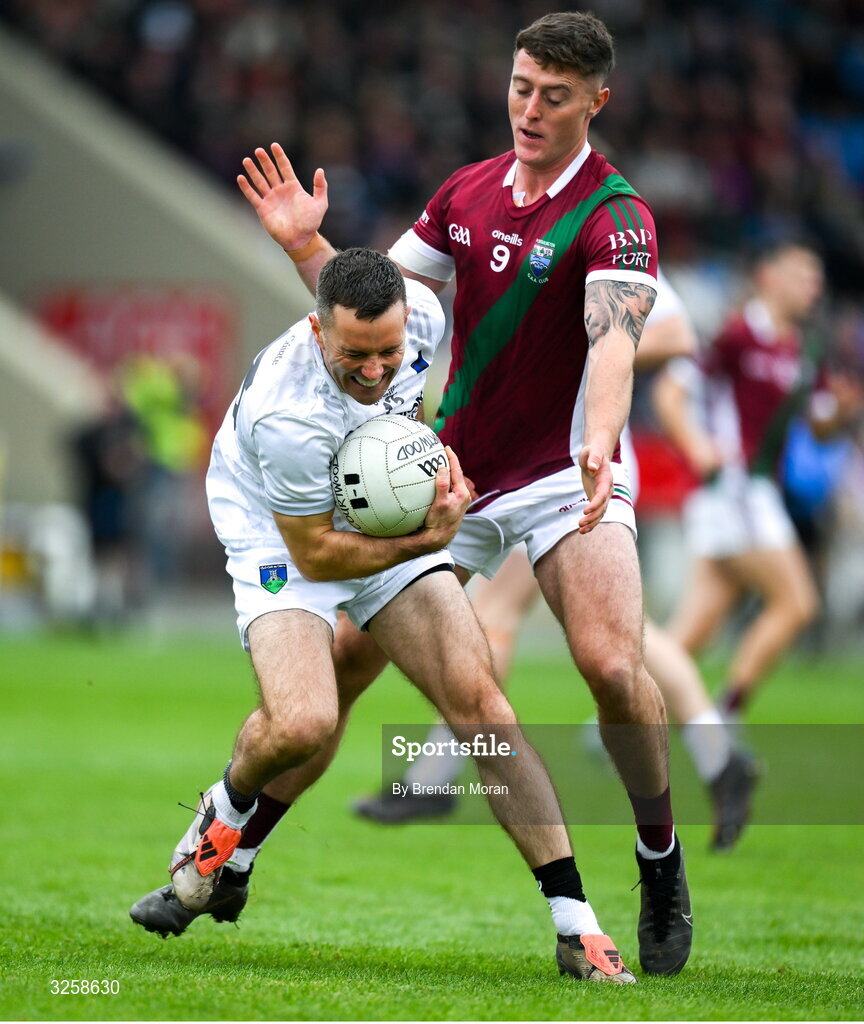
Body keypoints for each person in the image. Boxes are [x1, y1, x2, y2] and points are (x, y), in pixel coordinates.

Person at [132, 11, 692, 977]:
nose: (529, 107)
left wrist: (602, 439)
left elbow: (613, 340)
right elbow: (365, 306)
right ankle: (236, 851)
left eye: (554, 95)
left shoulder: (618, 216)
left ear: (596, 100)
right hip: (452, 473)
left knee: (608, 663)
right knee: (338, 680)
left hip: (567, 469)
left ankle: (658, 859)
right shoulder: (463, 193)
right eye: (520, 86)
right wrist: (304, 246)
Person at [132, 246, 640, 984]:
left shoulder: (423, 315)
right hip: (279, 535)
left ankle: (576, 925)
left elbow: (413, 410)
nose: (375, 371)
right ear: (316, 332)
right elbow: (316, 556)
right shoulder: (289, 416)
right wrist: (430, 538)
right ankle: (228, 807)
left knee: (484, 708)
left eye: (388, 352)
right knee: (302, 721)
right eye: (354, 356)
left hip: (381, 519)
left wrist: (438, 466)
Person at [355, 271, 760, 852]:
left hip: (575, 468)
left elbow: (675, 336)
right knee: (595, 636)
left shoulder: (608, 241)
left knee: (515, 620)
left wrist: (587, 350)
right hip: (531, 464)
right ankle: (720, 758)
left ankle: (433, 779)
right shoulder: (532, 232)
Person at [652, 242, 827, 718]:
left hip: (752, 489)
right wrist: (697, 447)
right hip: (735, 488)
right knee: (796, 603)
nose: (813, 287)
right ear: (768, 275)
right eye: (802, 275)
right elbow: (671, 392)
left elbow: (818, 424)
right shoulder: (736, 333)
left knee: (696, 627)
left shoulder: (803, 349)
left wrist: (840, 415)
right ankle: (723, 718)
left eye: (816, 279)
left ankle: (620, 724)